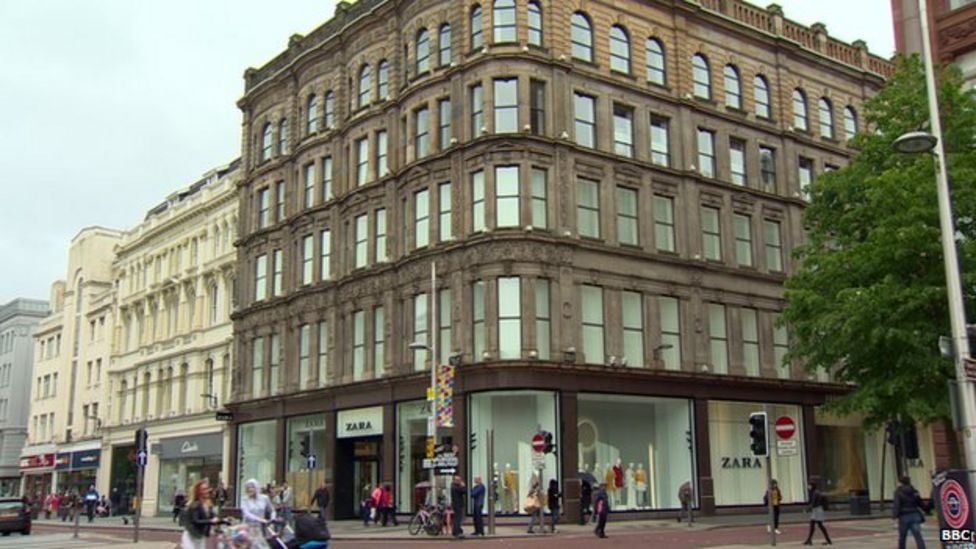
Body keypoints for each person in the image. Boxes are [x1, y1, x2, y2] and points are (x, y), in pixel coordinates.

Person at [180, 480, 221, 549]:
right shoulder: (195, 505)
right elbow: (196, 520)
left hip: (200, 536)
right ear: (198, 492)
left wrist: (223, 521)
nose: (207, 491)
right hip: (191, 536)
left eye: (207, 488)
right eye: (204, 489)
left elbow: (213, 517)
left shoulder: (208, 505)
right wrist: (211, 521)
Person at [893, 476, 928, 549]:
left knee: (902, 536)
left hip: (904, 515)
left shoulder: (898, 492)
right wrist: (927, 510)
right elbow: (920, 503)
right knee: (918, 535)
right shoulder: (914, 491)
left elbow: (897, 504)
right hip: (915, 514)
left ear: (900, 483)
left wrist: (895, 515)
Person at [241, 478, 276, 549]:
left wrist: (272, 520)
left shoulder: (264, 498)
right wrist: (260, 519)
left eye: (252, 487)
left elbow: (272, 510)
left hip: (262, 528)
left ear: (256, 488)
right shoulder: (243, 499)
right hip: (249, 528)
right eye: (248, 488)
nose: (250, 489)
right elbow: (246, 514)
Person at [802, 480, 832, 545]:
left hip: (817, 510)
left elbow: (813, 503)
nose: (808, 487)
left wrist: (807, 509)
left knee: (818, 526)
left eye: (809, 485)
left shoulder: (815, 493)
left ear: (812, 486)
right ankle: (809, 540)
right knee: (816, 525)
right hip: (817, 510)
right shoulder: (816, 492)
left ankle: (827, 540)